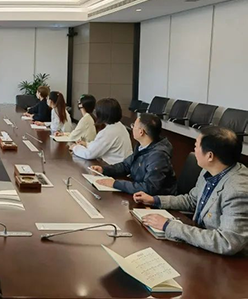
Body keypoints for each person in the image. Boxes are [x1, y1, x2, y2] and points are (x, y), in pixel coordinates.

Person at [134, 126, 248, 255]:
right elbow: (192, 200)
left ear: (210, 156)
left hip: (228, 260)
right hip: (201, 244)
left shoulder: (237, 190)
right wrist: (155, 200)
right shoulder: (210, 170)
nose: (194, 150)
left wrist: (168, 226)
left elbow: (226, 242)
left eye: (196, 146)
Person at [90, 113, 176, 195]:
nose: (132, 128)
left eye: (134, 125)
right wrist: (104, 170)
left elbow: (149, 188)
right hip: (139, 192)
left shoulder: (158, 156)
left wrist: (115, 184)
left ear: (141, 132)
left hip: (155, 200)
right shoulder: (142, 146)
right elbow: (126, 165)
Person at [71, 98, 132, 164]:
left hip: (115, 167)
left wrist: (75, 148)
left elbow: (89, 154)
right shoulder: (119, 126)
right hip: (122, 165)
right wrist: (86, 144)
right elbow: (99, 146)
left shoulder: (108, 132)